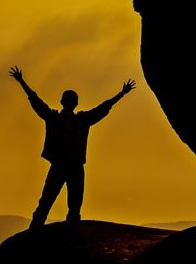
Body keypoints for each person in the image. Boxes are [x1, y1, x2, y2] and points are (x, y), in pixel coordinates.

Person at [8, 65, 136, 229]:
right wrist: (122, 94)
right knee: (54, 201)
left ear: (68, 102)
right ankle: (43, 229)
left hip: (68, 166)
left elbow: (36, 101)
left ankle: (46, 230)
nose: (69, 103)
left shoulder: (67, 119)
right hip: (65, 166)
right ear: (73, 103)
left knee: (64, 202)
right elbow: (103, 107)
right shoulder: (74, 119)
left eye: (70, 101)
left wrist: (121, 94)